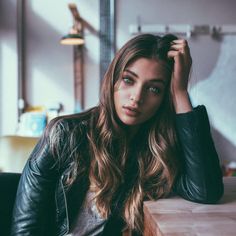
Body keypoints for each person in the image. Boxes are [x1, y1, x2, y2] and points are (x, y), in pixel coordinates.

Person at [11, 34, 224, 236]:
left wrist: (180, 92)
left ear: (163, 98)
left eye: (154, 89)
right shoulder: (64, 135)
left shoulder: (157, 152)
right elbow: (25, 229)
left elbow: (205, 191)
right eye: (128, 80)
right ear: (112, 80)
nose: (136, 97)